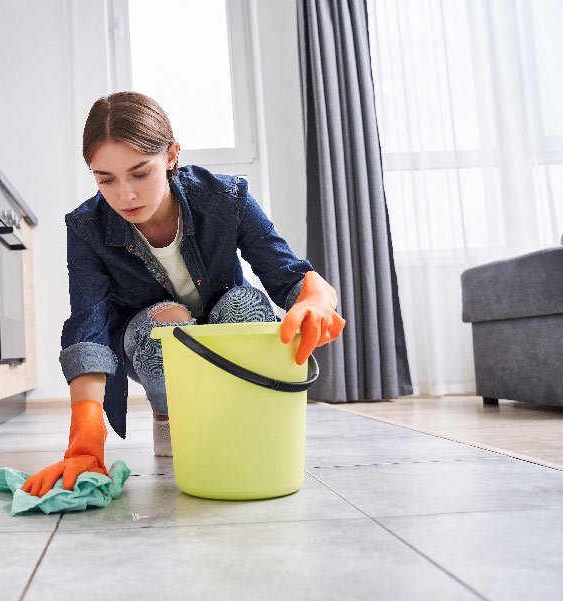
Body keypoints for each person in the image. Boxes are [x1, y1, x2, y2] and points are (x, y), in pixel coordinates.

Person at [22, 91, 345, 498]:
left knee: (243, 302)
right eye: (106, 179)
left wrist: (315, 299)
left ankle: (247, 416)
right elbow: (88, 323)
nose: (126, 195)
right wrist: (84, 436)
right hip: (151, 340)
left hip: (227, 333)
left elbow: (288, 273)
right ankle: (171, 413)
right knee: (169, 319)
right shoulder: (87, 227)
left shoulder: (226, 199)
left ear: (172, 155)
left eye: (140, 173)